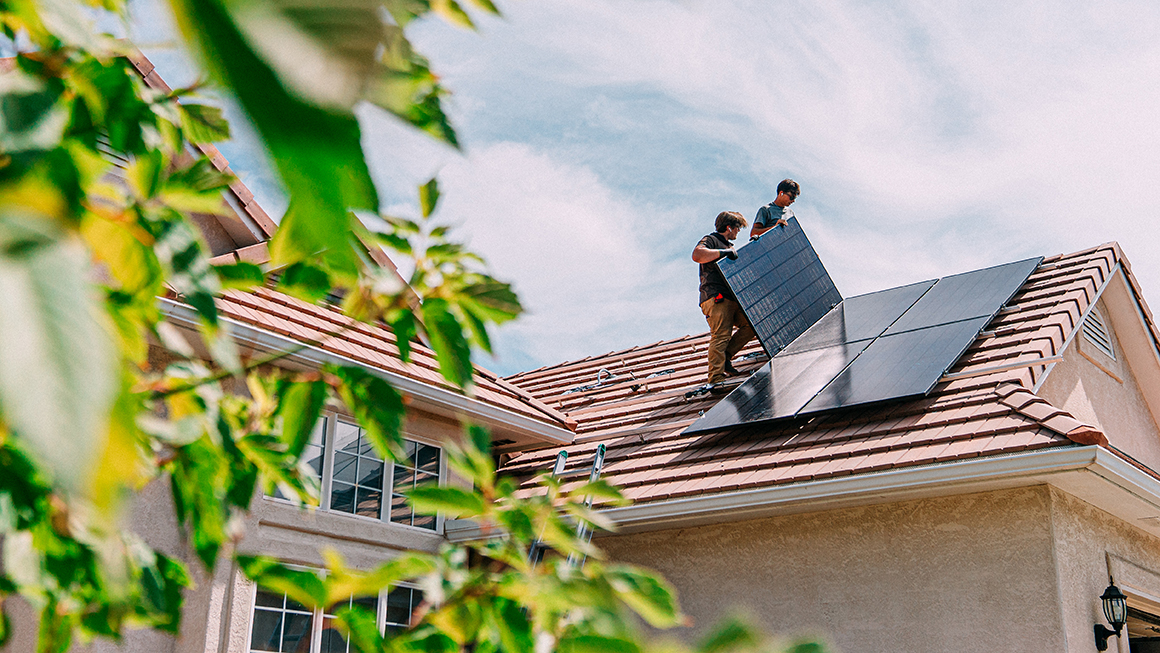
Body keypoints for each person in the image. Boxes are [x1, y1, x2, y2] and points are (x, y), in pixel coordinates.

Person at [692, 211, 757, 388]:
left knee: (750, 325)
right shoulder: (711, 240)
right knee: (721, 335)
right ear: (729, 227)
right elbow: (697, 255)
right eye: (737, 228)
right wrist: (724, 252)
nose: (738, 232)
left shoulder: (729, 247)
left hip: (732, 298)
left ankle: (726, 357)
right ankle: (716, 379)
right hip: (715, 297)